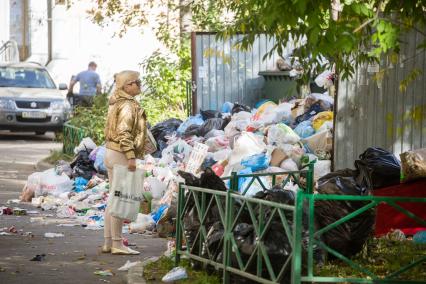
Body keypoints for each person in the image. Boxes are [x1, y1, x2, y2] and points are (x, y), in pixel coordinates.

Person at [102, 70, 146, 255]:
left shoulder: (116, 102)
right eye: (137, 82)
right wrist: (131, 156)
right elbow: (124, 132)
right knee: (120, 199)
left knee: (113, 198)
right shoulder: (127, 105)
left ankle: (108, 242)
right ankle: (118, 244)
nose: (140, 85)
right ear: (127, 85)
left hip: (111, 152)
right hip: (120, 154)